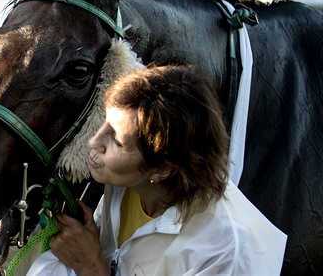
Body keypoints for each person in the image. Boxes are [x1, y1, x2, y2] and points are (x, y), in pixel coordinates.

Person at [27, 65, 287, 275]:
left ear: (163, 168)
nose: (94, 142)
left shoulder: (223, 251)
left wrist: (91, 267)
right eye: (105, 124)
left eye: (116, 139)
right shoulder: (128, 185)